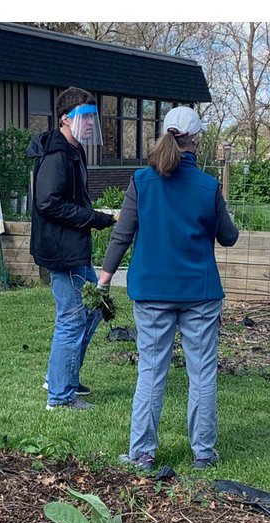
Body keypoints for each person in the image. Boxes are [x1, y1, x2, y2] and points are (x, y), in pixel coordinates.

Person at [98, 106, 239, 472]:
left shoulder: (142, 181)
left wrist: (105, 276)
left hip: (153, 291)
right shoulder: (208, 186)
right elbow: (229, 237)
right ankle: (204, 453)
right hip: (200, 292)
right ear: (195, 140)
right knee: (202, 372)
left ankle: (142, 453)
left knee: (151, 371)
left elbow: (122, 233)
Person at [27, 86, 118, 411]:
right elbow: (48, 202)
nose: (92, 122)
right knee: (72, 318)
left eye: (94, 117)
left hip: (72, 249)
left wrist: (95, 218)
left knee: (93, 311)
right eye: (85, 116)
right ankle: (60, 395)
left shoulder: (72, 151)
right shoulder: (57, 154)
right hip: (61, 251)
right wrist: (93, 219)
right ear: (66, 118)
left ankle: (63, 376)